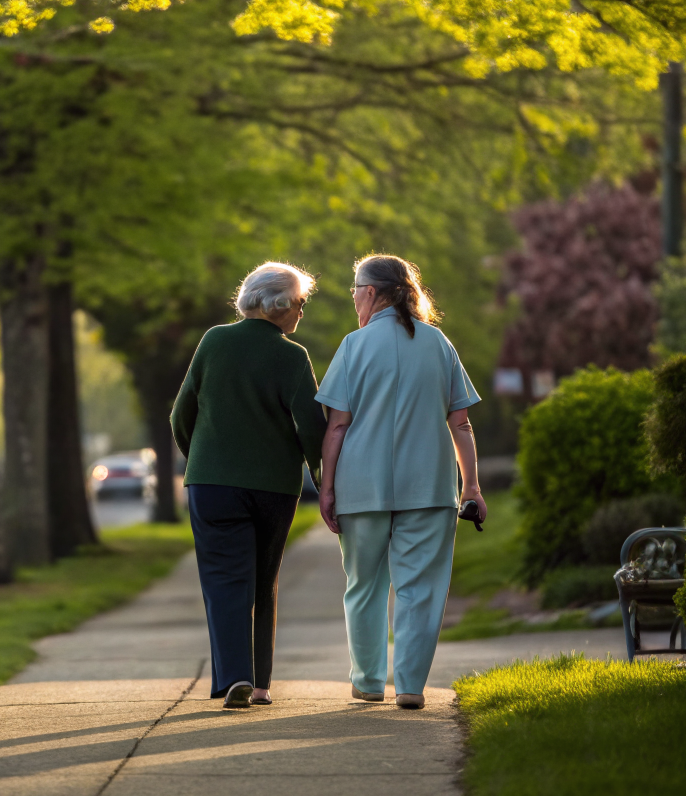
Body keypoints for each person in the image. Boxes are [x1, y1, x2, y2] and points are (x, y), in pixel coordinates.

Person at [315, 254, 484, 710]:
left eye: (354, 289)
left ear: (370, 293)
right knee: (420, 588)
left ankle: (368, 681)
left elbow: (336, 427)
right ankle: (409, 687)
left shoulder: (353, 346)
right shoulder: (439, 344)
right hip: (428, 487)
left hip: (361, 486)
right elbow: (461, 425)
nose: (353, 297)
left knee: (364, 585)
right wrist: (471, 488)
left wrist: (326, 487)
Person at [171, 262, 327, 708]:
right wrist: (323, 480)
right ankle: (260, 684)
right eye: (300, 302)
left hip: (212, 483)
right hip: (274, 487)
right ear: (278, 304)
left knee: (224, 579)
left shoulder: (214, 341)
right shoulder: (292, 356)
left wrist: (201, 457)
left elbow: (182, 413)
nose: (302, 312)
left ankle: (234, 676)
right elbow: (311, 430)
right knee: (264, 579)